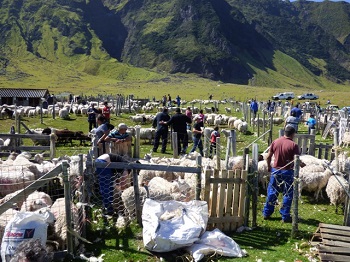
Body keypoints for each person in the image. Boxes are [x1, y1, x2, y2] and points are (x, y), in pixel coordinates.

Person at [262, 125, 305, 223]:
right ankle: (285, 216)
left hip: (276, 171)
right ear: (293, 134)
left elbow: (268, 156)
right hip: (287, 171)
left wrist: (269, 166)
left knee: (272, 192)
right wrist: (301, 164)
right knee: (288, 193)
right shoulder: (293, 145)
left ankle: (266, 213)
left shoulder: (276, 141)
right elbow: (296, 159)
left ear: (284, 132)